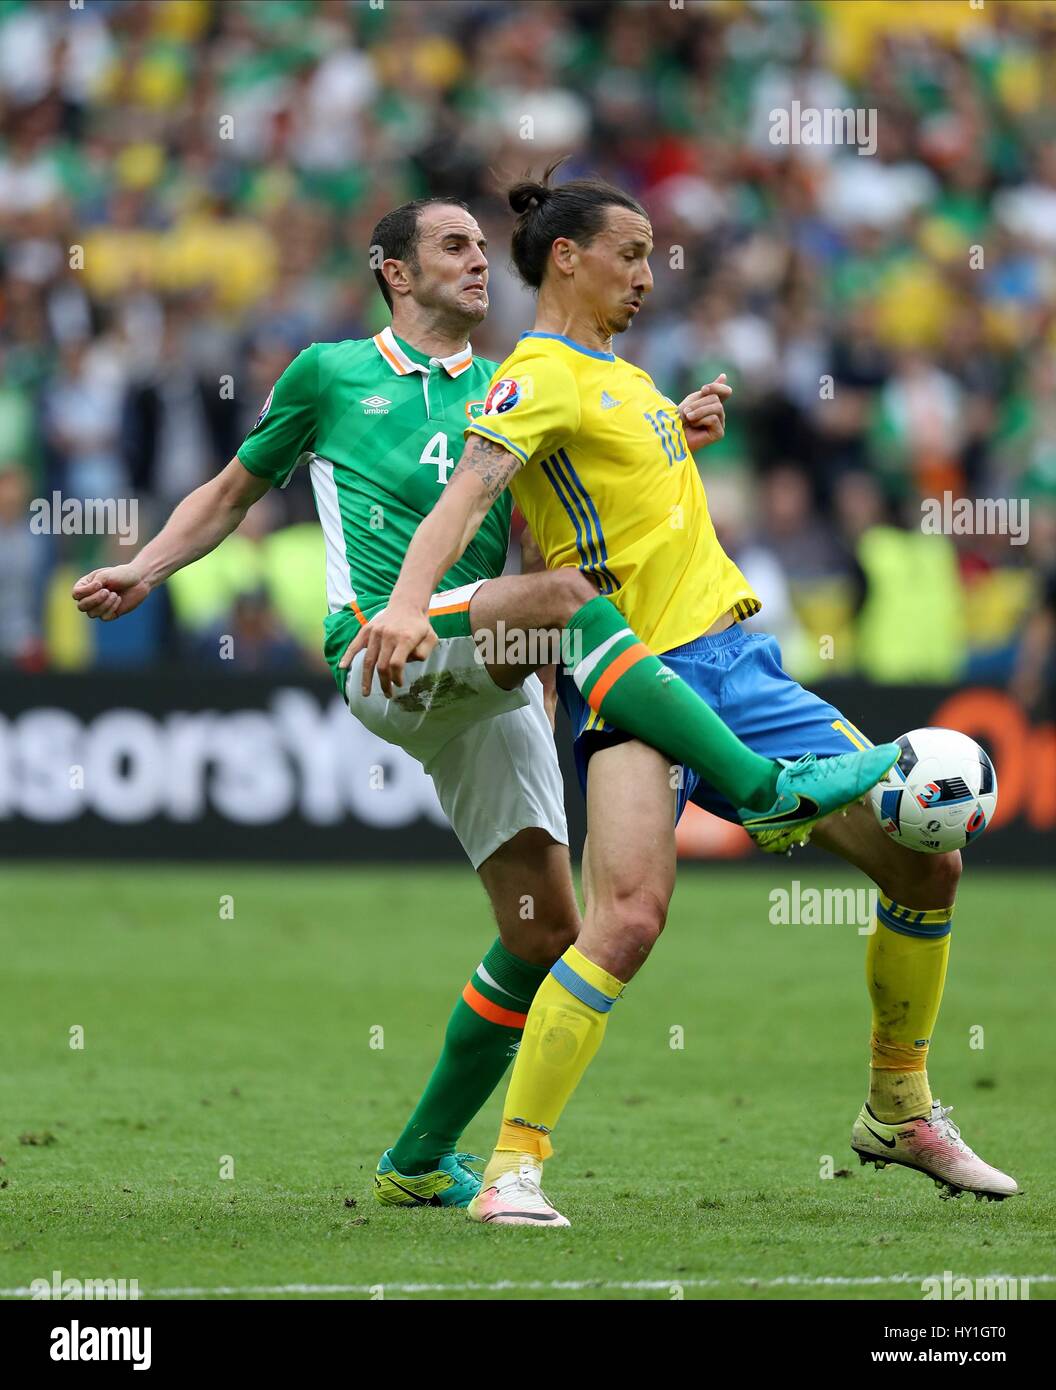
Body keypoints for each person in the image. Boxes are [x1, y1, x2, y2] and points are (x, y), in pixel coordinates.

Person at [71, 195, 893, 1213]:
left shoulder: (512, 384)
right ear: (395, 272)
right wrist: (145, 567)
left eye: (478, 244)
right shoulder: (331, 374)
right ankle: (764, 786)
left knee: (546, 927)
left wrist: (666, 431)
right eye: (451, 247)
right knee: (567, 601)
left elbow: (565, 500)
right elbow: (236, 492)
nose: (476, 261)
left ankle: (417, 1157)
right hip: (389, 640)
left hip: (483, 670)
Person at [351, 166, 1017, 1226]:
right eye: (632, 254)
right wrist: (406, 603)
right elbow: (473, 490)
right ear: (566, 257)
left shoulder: (625, 378)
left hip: (737, 665)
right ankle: (514, 1169)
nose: (649, 277)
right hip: (635, 685)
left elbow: (621, 486)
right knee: (625, 919)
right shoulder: (538, 375)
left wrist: (680, 424)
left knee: (928, 860)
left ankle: (900, 1106)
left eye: (654, 258)